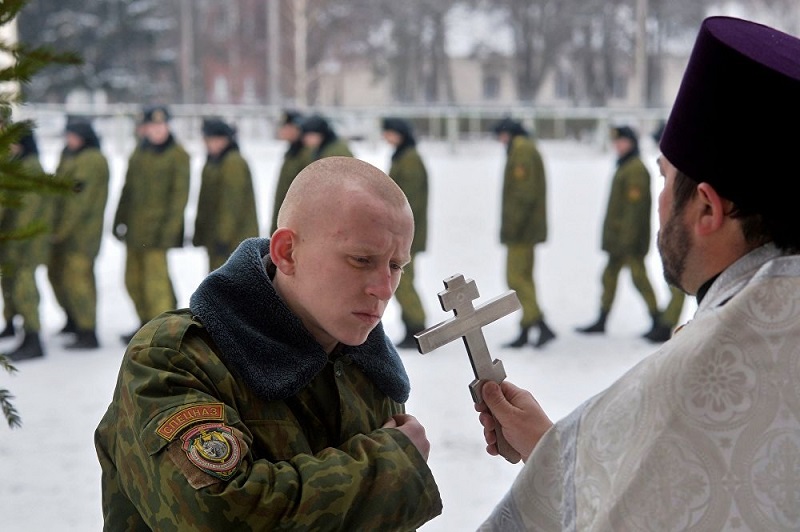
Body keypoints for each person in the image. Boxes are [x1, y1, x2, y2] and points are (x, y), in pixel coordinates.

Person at [475, 16, 800, 530]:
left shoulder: (702, 374)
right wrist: (555, 449)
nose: (660, 200)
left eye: (666, 180)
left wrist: (558, 462)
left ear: (708, 210)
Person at [95, 156, 443, 530]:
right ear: (287, 253)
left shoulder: (368, 368)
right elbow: (222, 515)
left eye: (396, 266)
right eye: (361, 259)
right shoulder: (175, 357)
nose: (384, 289)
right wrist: (389, 467)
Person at [576, 124, 669, 341]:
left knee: (639, 278)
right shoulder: (625, 165)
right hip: (619, 240)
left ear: (631, 143)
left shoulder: (635, 169)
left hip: (629, 241)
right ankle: (603, 318)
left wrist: (626, 240)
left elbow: (634, 211)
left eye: (621, 141)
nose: (617, 146)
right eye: (616, 142)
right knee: (609, 277)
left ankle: (657, 318)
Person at [112, 105, 190, 344]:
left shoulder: (178, 155)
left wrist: (169, 232)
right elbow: (128, 189)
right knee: (132, 281)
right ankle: (146, 324)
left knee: (156, 285)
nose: (156, 131)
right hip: (136, 230)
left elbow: (179, 198)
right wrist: (118, 218)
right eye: (152, 126)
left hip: (158, 233)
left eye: (161, 125)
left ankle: (163, 332)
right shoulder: (139, 152)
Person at [492, 117, 556, 349]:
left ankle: (538, 322)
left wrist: (512, 227)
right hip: (526, 228)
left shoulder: (521, 151)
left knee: (516, 278)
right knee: (524, 279)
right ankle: (529, 326)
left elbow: (523, 194)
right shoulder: (525, 148)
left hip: (522, 230)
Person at [48, 118, 110, 349]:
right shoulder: (70, 154)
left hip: (82, 234)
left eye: (73, 135)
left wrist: (59, 230)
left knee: (79, 280)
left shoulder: (91, 159)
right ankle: (73, 319)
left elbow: (78, 202)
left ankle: (87, 331)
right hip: (66, 231)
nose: (69, 139)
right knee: (61, 277)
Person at [0, 129, 52, 361]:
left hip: (24, 241)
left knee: (25, 289)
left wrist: (16, 239)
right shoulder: (20, 165)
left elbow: (26, 212)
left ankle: (33, 338)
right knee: (16, 286)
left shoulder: (29, 168)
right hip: (16, 240)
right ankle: (23, 330)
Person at [381, 117, 429, 349]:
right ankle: (413, 324)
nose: (385, 137)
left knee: (404, 280)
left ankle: (417, 325)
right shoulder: (403, 156)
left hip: (405, 234)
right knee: (402, 280)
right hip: (401, 232)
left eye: (388, 132)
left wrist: (398, 230)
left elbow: (408, 200)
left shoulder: (410, 160)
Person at [192, 117, 258, 272]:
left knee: (231, 289)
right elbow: (206, 203)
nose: (211, 144)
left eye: (216, 139)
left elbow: (231, 205)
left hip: (233, 242)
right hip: (218, 240)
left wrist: (223, 237)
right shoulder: (214, 162)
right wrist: (200, 233)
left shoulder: (232, 163)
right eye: (208, 139)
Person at [269, 109, 312, 234]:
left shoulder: (305, 154)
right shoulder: (292, 153)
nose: (282, 131)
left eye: (286, 127)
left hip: (295, 227)